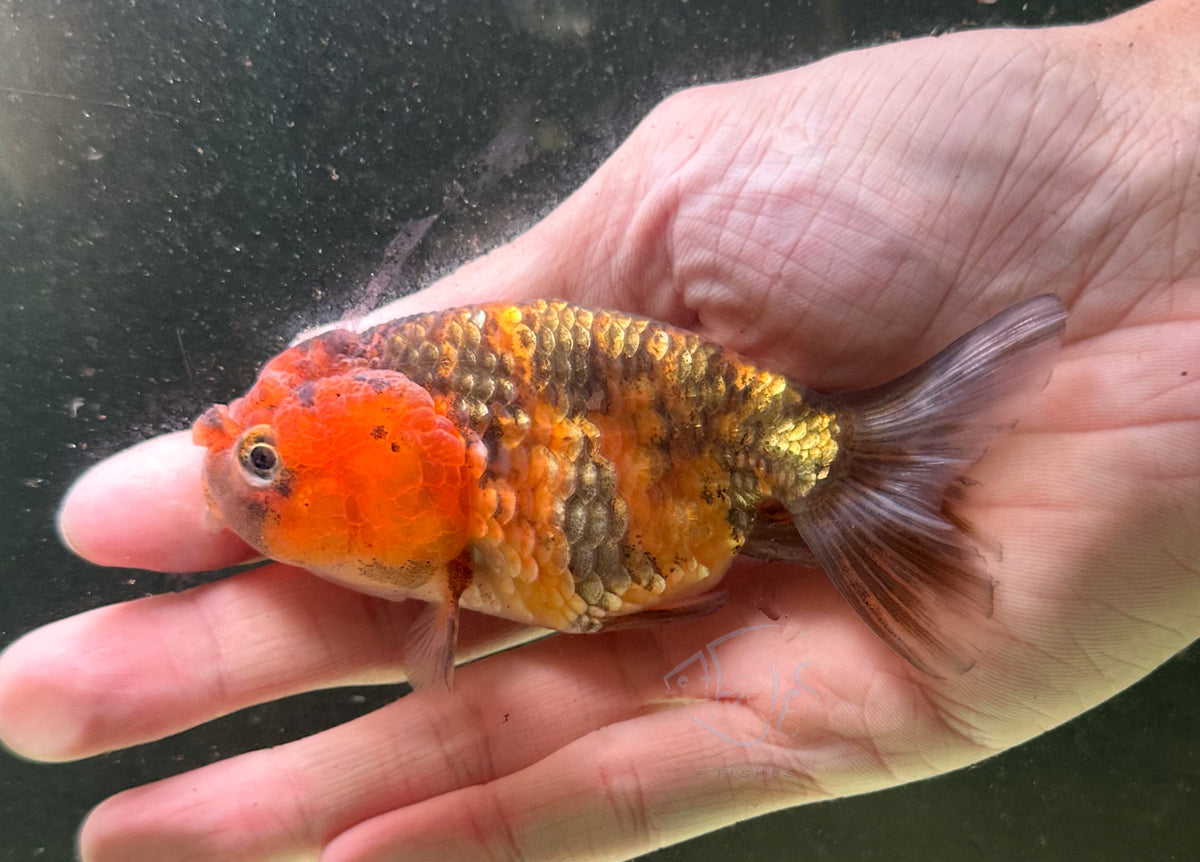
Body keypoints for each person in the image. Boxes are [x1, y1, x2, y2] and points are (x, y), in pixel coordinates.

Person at [2, 0, 1198, 858]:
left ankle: (848, 473)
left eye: (266, 467)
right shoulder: (417, 480)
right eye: (257, 462)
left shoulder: (438, 487)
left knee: (789, 474)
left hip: (699, 447)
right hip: (670, 501)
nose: (246, 478)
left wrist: (1150, 150)